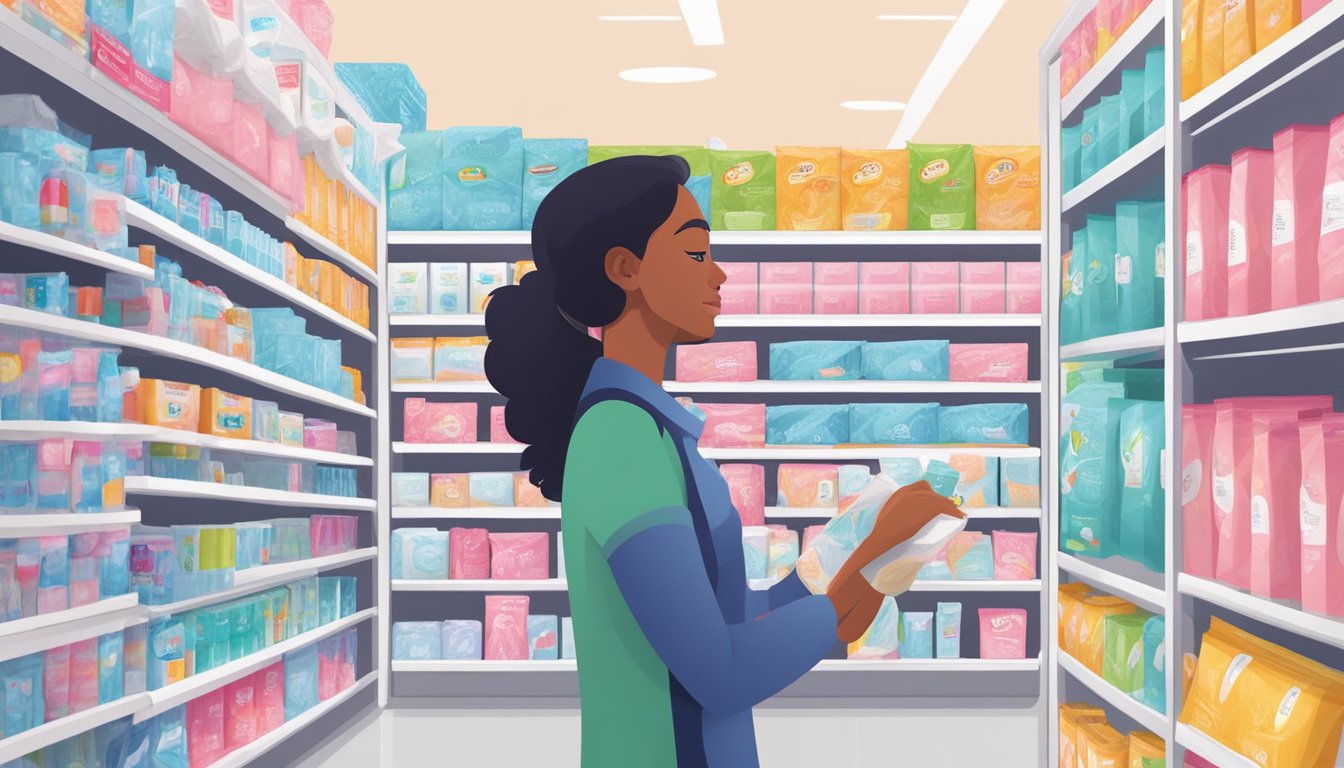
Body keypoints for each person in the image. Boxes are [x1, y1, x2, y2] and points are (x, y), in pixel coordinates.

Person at [485, 155, 959, 768]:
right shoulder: (619, 438)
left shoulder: (656, 430)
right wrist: (865, 575)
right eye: (695, 253)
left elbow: (731, 621)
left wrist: (856, 536)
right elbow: (721, 673)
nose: (720, 275)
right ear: (625, 269)